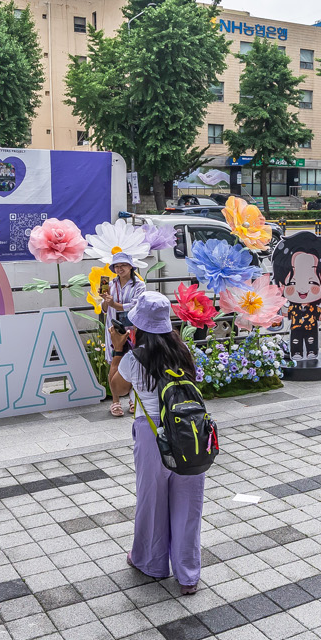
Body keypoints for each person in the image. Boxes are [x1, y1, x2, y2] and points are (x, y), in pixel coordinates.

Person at [108, 292, 204, 595]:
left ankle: (151, 562)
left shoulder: (136, 358)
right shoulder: (184, 351)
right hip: (190, 433)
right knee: (188, 506)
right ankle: (188, 575)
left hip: (153, 434)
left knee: (152, 501)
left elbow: (117, 388)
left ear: (139, 327)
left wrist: (118, 350)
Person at [101, 253, 144, 417]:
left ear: (131, 266)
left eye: (123, 265)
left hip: (132, 328)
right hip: (113, 328)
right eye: (116, 266)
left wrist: (114, 303)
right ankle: (115, 401)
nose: (119, 269)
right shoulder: (109, 283)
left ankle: (133, 399)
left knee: (133, 362)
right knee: (114, 361)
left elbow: (135, 306)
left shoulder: (139, 285)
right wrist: (106, 300)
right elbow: (105, 309)